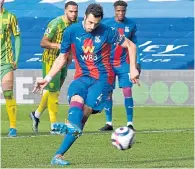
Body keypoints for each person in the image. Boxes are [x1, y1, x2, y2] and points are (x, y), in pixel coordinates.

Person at [33, 4, 139, 166]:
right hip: (81, 76)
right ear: (85, 16)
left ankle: (70, 129)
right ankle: (59, 154)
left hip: (102, 80)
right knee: (76, 103)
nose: (92, 26)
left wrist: (132, 69)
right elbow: (62, 57)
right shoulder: (71, 32)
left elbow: (131, 45)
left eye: (96, 24)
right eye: (89, 22)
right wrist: (47, 78)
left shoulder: (107, 31)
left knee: (83, 114)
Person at [30, 1, 78, 134]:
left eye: (75, 11)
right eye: (71, 11)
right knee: (54, 93)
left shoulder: (75, 24)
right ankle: (53, 127)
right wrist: (59, 46)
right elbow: (43, 42)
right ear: (65, 11)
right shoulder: (56, 23)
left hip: (63, 61)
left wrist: (69, 56)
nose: (73, 14)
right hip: (51, 61)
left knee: (53, 91)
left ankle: (36, 114)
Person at [99, 0, 141, 131]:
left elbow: (134, 45)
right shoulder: (106, 24)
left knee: (127, 91)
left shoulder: (131, 25)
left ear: (125, 11)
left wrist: (136, 64)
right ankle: (109, 123)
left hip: (124, 63)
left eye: (123, 11)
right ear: (114, 11)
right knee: (108, 93)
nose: (121, 13)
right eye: (118, 11)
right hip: (109, 63)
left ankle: (130, 123)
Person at [0, 0, 21, 137]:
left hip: (6, 61)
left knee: (8, 93)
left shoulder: (11, 17)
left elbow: (17, 38)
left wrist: (16, 59)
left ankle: (13, 127)